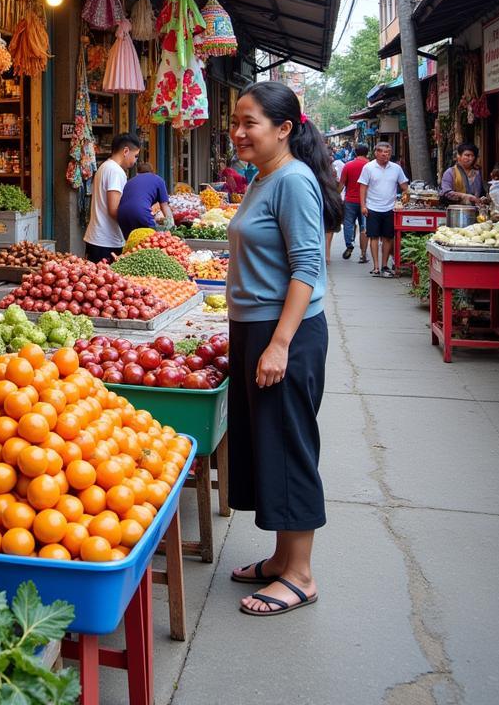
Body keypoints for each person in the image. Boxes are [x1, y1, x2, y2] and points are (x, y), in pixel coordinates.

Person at [226, 81, 342, 616]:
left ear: (284, 128)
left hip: (285, 332)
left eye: (250, 123)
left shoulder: (293, 181)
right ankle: (280, 558)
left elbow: (308, 268)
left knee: (291, 445)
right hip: (258, 327)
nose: (238, 132)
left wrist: (277, 345)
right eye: (235, 122)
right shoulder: (263, 177)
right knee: (269, 443)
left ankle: (301, 575)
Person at [83, 133, 140, 262]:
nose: (135, 161)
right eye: (135, 156)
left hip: (98, 238)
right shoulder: (115, 171)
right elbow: (114, 209)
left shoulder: (104, 167)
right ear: (126, 151)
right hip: (106, 242)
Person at [359, 141, 410, 277]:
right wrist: (363, 206)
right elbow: (363, 187)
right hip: (372, 207)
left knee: (388, 238)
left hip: (390, 208)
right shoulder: (368, 168)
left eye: (387, 152)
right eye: (381, 151)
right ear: (375, 153)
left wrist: (409, 197)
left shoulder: (396, 168)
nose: (384, 154)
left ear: (390, 153)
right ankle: (376, 266)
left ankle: (384, 266)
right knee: (373, 237)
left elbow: (405, 187)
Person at [117, 162, 172, 238]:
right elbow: (165, 206)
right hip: (140, 212)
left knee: (131, 242)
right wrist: (171, 227)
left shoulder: (130, 181)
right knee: (151, 240)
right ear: (153, 172)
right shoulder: (158, 179)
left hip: (121, 214)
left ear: (137, 173)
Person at [339, 144, 370, 262]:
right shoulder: (371, 166)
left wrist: (336, 196)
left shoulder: (348, 165)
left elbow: (341, 184)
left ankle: (349, 245)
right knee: (364, 227)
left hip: (350, 200)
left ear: (355, 152)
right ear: (367, 153)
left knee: (348, 224)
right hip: (366, 201)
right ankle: (363, 253)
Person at [325, 149, 344, 264]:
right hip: (331, 201)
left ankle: (325, 254)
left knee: (324, 230)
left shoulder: (313, 170)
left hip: (322, 201)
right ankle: (327, 255)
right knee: (329, 230)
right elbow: (338, 187)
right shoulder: (332, 171)